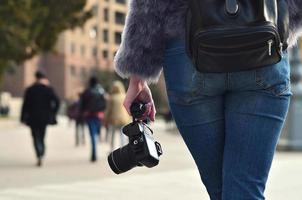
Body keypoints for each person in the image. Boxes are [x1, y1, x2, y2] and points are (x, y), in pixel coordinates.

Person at [113, 0, 302, 199]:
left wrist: (138, 75)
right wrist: (289, 19)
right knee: (244, 189)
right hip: (265, 41)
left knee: (221, 191)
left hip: (188, 50)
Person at [21, 71, 60, 167]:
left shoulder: (30, 90)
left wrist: (22, 117)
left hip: (32, 117)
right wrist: (53, 112)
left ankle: (39, 152)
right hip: (44, 117)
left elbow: (25, 105)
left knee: (35, 136)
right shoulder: (48, 89)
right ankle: (41, 151)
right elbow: (57, 101)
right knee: (42, 135)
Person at [80, 77, 107, 162]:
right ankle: (98, 134)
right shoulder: (101, 91)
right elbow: (105, 103)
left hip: (90, 115)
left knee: (92, 135)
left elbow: (82, 104)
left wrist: (83, 112)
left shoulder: (87, 92)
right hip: (99, 115)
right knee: (96, 132)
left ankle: (94, 154)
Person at [104, 81, 131, 151]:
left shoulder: (111, 98)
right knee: (122, 136)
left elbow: (108, 110)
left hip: (113, 120)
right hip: (124, 120)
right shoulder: (125, 96)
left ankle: (112, 149)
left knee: (112, 135)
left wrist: (105, 119)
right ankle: (124, 150)